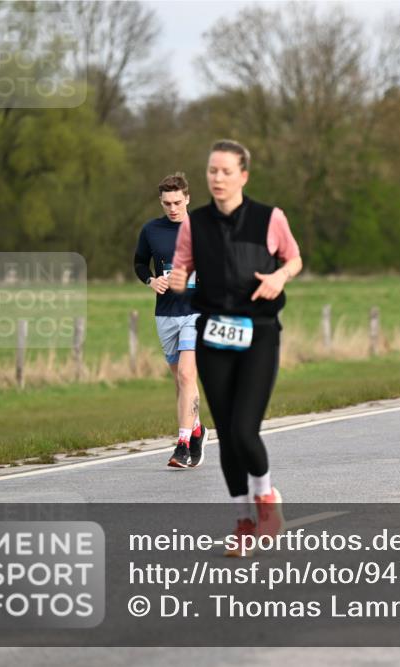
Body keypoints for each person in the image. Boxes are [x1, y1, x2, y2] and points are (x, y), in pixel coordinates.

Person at [170, 139, 302, 556]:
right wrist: (175, 277)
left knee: (245, 428)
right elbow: (182, 264)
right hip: (212, 333)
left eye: (226, 171)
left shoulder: (269, 217)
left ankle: (266, 500)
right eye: (212, 171)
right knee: (227, 435)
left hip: (258, 330)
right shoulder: (196, 223)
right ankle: (244, 521)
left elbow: (294, 259)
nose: (218, 178)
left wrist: (279, 278)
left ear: (243, 175)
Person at [133, 172, 207, 468]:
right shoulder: (151, 230)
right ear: (161, 202)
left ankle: (183, 445)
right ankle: (198, 429)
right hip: (166, 313)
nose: (173, 208)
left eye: (177, 202)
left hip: (198, 312)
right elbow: (139, 262)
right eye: (167, 203)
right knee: (181, 381)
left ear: (187, 198)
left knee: (188, 375)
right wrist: (151, 280)